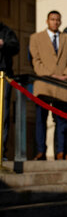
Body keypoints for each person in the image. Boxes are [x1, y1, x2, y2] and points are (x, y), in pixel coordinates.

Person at [30, 10, 67, 160]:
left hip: (62, 86)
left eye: (57, 20)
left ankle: (61, 152)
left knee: (62, 121)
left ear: (60, 22)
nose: (55, 22)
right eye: (52, 19)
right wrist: (50, 75)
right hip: (44, 85)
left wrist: (66, 75)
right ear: (47, 21)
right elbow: (35, 60)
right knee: (41, 120)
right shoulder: (36, 38)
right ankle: (40, 152)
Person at [0, 21, 19, 160]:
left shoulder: (6, 30)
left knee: (2, 114)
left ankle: (1, 152)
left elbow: (15, 47)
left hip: (3, 77)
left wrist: (3, 44)